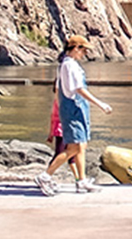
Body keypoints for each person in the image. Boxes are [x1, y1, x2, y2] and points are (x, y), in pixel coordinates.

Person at [34, 35, 112, 196]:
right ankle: (45, 175)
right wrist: (101, 104)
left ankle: (81, 180)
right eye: (83, 50)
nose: (85, 54)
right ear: (76, 48)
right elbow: (79, 89)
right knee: (74, 147)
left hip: (76, 108)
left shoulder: (68, 65)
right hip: (73, 109)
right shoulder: (69, 65)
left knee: (82, 145)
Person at [46, 86, 78, 182]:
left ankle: (78, 179)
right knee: (59, 154)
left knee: (72, 155)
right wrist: (51, 133)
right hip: (61, 130)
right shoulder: (59, 103)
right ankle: (46, 175)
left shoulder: (65, 102)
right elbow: (53, 118)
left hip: (68, 129)